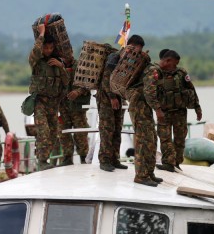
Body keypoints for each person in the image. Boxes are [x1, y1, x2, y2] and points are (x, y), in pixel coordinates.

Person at [145, 50, 202, 173]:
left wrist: (197, 108)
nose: (175, 66)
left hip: (180, 112)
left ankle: (176, 162)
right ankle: (168, 163)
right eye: (174, 64)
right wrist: (158, 110)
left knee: (180, 139)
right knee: (165, 139)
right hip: (164, 113)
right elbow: (149, 93)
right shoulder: (154, 72)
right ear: (168, 61)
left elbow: (191, 89)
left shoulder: (181, 73)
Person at [97, 36, 145, 172]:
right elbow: (106, 79)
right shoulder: (114, 57)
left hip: (119, 97)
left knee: (117, 128)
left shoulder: (130, 60)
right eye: (136, 49)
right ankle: (104, 160)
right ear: (130, 46)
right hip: (107, 98)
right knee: (107, 129)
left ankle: (114, 158)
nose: (137, 52)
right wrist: (112, 97)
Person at [28, 24, 69, 171]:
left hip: (53, 103)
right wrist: (42, 33)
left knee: (53, 133)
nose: (48, 51)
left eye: (51, 48)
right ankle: (42, 160)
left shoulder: (56, 63)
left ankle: (44, 158)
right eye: (46, 48)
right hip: (40, 102)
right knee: (43, 131)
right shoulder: (36, 62)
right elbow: (36, 51)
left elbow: (66, 82)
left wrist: (60, 67)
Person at [125, 36, 162, 186]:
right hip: (139, 107)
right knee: (143, 141)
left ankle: (149, 172)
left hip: (141, 107)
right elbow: (149, 91)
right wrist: (158, 109)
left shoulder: (138, 65)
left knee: (151, 139)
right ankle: (141, 175)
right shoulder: (149, 69)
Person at [58, 55, 91, 166]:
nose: (67, 56)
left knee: (80, 132)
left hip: (77, 106)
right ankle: (67, 158)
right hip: (62, 106)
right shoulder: (57, 65)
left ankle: (83, 157)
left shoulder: (81, 66)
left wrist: (78, 91)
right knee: (63, 132)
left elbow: (90, 82)